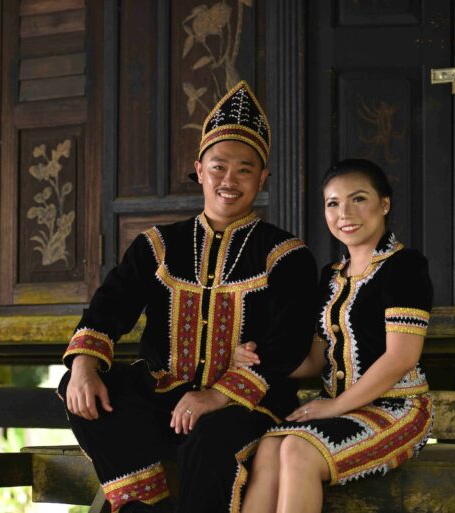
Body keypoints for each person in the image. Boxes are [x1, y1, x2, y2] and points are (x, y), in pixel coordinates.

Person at [57, 81, 317, 513]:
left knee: (211, 439)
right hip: (164, 399)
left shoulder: (286, 254)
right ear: (199, 169)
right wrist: (84, 364)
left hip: (244, 407)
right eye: (218, 167)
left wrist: (217, 396)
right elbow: (110, 306)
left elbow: (288, 343)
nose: (229, 180)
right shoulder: (157, 245)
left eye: (245, 169)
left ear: (263, 178)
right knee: (77, 387)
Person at [234, 158, 434, 513]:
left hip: (396, 408)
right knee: (268, 447)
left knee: (296, 450)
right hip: (338, 412)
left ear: (384, 204)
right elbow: (316, 359)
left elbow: (401, 357)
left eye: (358, 199)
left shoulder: (405, 266)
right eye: (333, 203)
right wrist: (255, 358)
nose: (345, 213)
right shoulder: (331, 275)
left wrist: (335, 406)